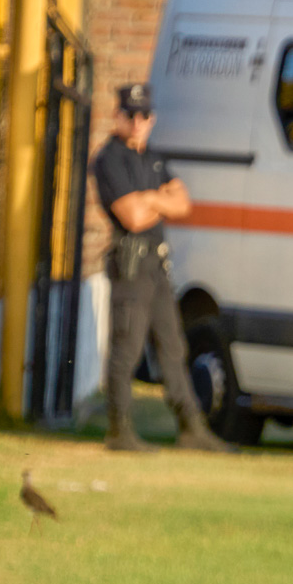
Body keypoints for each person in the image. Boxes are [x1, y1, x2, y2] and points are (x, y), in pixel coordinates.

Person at [89, 83, 231, 453]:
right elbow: (133, 218)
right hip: (131, 263)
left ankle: (191, 428)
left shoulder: (152, 157)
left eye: (145, 116)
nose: (138, 123)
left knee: (173, 346)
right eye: (131, 115)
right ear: (118, 116)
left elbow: (183, 203)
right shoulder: (110, 159)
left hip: (156, 263)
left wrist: (148, 198)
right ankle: (119, 430)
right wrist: (157, 198)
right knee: (128, 347)